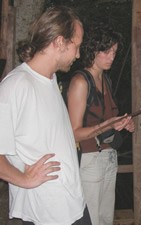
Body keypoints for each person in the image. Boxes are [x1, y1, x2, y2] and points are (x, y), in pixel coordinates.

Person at [0, 6, 92, 225]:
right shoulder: (15, 86)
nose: (78, 55)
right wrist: (23, 178)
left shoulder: (50, 80)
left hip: (72, 204)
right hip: (45, 212)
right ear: (59, 42)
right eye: (76, 46)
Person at [67, 23, 134, 225]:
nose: (111, 57)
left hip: (109, 155)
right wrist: (108, 126)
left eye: (114, 51)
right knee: (91, 219)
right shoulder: (80, 81)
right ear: (92, 50)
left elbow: (107, 120)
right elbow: (74, 133)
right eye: (106, 51)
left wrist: (123, 124)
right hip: (89, 159)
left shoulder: (106, 79)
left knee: (106, 219)